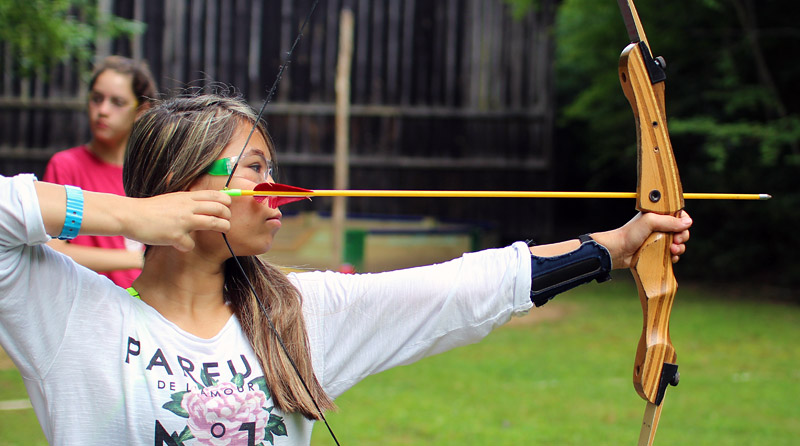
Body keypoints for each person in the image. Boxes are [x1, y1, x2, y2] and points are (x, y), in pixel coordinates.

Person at [0, 94, 692, 445]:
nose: (282, 190)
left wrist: (619, 246)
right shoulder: (73, 316)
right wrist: (136, 218)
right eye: (257, 169)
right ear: (185, 184)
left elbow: (463, 288)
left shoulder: (297, 313)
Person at [43, 55, 158, 288]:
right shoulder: (66, 165)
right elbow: (53, 250)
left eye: (117, 102)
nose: (102, 110)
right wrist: (138, 259)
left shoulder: (151, 174)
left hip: (144, 309)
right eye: (96, 99)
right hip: (81, 305)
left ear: (141, 111)